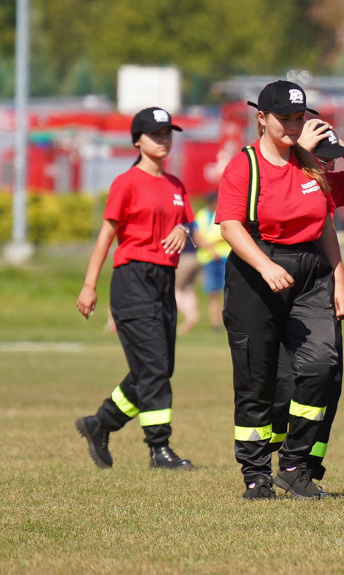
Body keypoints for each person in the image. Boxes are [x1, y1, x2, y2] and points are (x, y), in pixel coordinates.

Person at [216, 80, 344, 500]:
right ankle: (255, 473)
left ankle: (294, 463)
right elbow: (230, 225)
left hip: (311, 272)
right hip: (257, 271)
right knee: (257, 378)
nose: (294, 126)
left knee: (321, 365)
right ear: (262, 118)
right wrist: (265, 265)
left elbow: (325, 223)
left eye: (299, 118)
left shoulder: (310, 163)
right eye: (285, 119)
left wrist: (340, 278)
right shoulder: (245, 165)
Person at [75, 107, 195, 471]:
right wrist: (89, 285)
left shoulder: (176, 185)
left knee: (158, 367)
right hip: (132, 280)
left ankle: (99, 424)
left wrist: (184, 231)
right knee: (154, 367)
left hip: (164, 281)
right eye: (156, 134)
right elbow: (106, 237)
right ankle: (159, 449)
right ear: (137, 140)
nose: (163, 140)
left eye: (167, 133)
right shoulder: (125, 183)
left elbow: (185, 225)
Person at [272, 125, 344, 482]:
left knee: (327, 376)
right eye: (325, 159)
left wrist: (342, 148)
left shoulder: (324, 181)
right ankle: (279, 446)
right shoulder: (281, 172)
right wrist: (301, 151)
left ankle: (307, 462)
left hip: (320, 284)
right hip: (280, 281)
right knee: (284, 381)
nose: (331, 167)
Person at [194, 192, 230, 331]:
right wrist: (210, 248)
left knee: (227, 292)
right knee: (212, 292)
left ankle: (228, 320)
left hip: (225, 256)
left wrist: (211, 244)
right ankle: (215, 323)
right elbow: (197, 235)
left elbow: (228, 232)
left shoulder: (224, 211)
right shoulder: (202, 214)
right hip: (208, 258)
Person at [174, 222, 200, 334]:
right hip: (195, 257)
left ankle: (191, 315)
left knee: (175, 289)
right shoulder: (193, 223)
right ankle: (192, 314)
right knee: (188, 288)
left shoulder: (178, 222)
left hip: (184, 258)